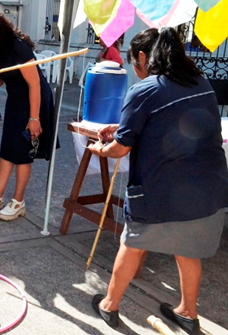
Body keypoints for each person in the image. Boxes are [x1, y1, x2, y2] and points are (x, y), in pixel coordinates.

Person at [88, 27, 228, 333]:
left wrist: (100, 147)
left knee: (133, 244)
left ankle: (109, 305)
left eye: (133, 63)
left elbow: (120, 148)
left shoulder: (145, 89)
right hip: (208, 189)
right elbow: (169, 122)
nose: (134, 70)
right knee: (187, 249)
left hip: (162, 192)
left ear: (142, 57)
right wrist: (123, 125)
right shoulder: (200, 81)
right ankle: (188, 313)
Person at [0, 7, 56, 221]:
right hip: (16, 99)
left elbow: (34, 82)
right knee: (7, 147)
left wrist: (34, 119)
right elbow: (0, 80)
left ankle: (18, 201)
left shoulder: (17, 47)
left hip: (33, 98)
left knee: (22, 149)